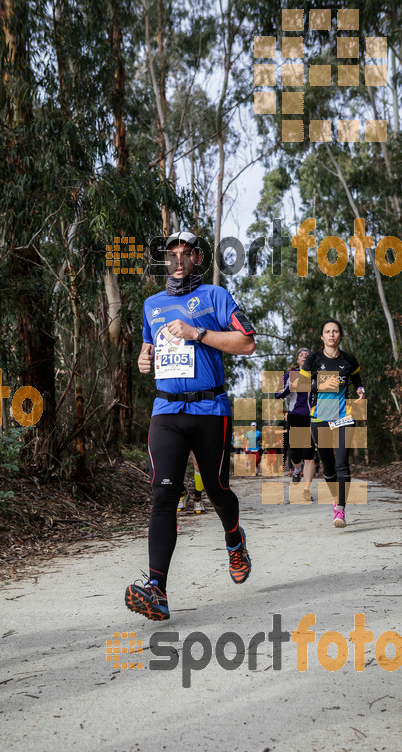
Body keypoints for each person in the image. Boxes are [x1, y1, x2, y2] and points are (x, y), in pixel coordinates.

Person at [125, 231, 256, 621]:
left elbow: (247, 342)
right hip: (166, 411)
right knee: (163, 496)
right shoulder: (152, 305)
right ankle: (157, 591)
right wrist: (142, 361)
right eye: (171, 255)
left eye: (185, 254)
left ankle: (234, 539)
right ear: (165, 261)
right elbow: (148, 350)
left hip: (209, 410)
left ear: (198, 258)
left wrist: (197, 333)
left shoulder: (217, 296)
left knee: (216, 491)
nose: (178, 261)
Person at [300, 320, 365, 528]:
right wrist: (321, 383)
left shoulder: (349, 360)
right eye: (327, 331)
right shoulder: (313, 359)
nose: (331, 334)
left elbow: (357, 379)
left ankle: (341, 509)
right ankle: (336, 498)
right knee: (328, 466)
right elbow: (299, 384)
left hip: (343, 416)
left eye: (335, 331)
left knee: (342, 463)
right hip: (319, 417)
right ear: (322, 337)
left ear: (340, 335)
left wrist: (360, 391)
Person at [275, 347, 315, 501]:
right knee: (296, 455)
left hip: (311, 418)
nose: (304, 356)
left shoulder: (316, 375)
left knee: (310, 457)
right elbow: (277, 394)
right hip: (295, 417)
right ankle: (297, 469)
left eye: (307, 355)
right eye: (301, 355)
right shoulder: (290, 375)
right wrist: (290, 387)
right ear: (297, 359)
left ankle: (307, 490)